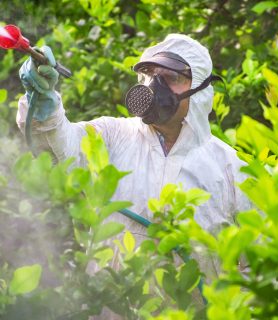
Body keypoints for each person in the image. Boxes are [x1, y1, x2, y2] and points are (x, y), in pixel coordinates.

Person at [17, 33, 251, 307]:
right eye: (150, 75)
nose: (154, 87)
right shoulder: (112, 136)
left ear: (200, 89)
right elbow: (58, 146)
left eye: (171, 78)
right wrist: (45, 102)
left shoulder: (232, 170)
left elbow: (258, 270)